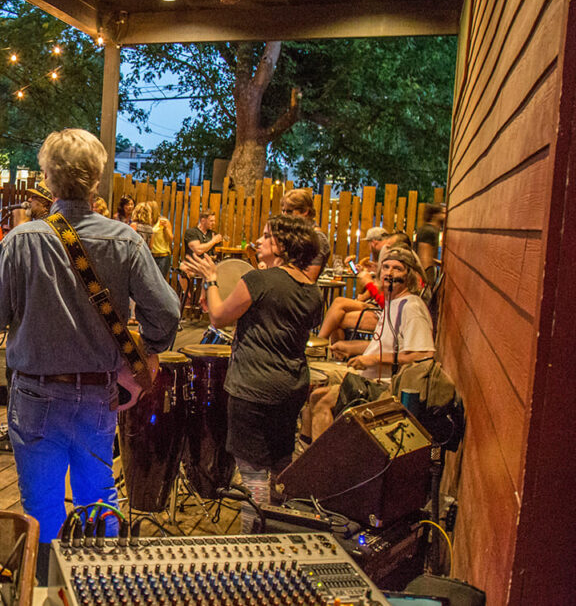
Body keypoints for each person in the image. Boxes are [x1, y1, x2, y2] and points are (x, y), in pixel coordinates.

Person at [0, 129, 181, 543]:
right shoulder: (126, 241)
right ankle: (98, 584)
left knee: (41, 505)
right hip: (97, 393)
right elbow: (168, 311)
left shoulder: (21, 241)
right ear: (97, 180)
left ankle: (50, 584)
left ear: (47, 178)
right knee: (100, 498)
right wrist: (152, 351)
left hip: (35, 394)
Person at [184, 214, 324, 532]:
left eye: (265, 236)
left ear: (283, 245)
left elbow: (218, 317)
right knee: (279, 463)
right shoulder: (312, 290)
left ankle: (254, 538)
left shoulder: (258, 281)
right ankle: (280, 532)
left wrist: (210, 278)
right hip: (291, 387)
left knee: (252, 473)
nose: (258, 241)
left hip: (252, 387)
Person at [303, 248, 437, 442]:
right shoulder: (393, 303)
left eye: (397, 269)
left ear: (409, 275)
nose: (389, 273)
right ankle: (305, 459)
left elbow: (422, 356)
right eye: (386, 267)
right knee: (314, 396)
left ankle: (325, 467)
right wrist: (350, 348)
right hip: (369, 378)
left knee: (322, 402)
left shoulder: (411, 307)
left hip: (383, 389)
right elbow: (386, 346)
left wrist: (372, 359)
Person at [280, 188, 330, 280]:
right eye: (283, 211)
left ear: (305, 211)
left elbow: (308, 278)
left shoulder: (317, 238)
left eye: (289, 211)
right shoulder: (293, 234)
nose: (285, 215)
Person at [148, 200, 175, 280]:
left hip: (162, 256)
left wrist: (166, 228)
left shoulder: (163, 221)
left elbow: (170, 239)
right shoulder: (147, 221)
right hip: (151, 255)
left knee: (159, 280)